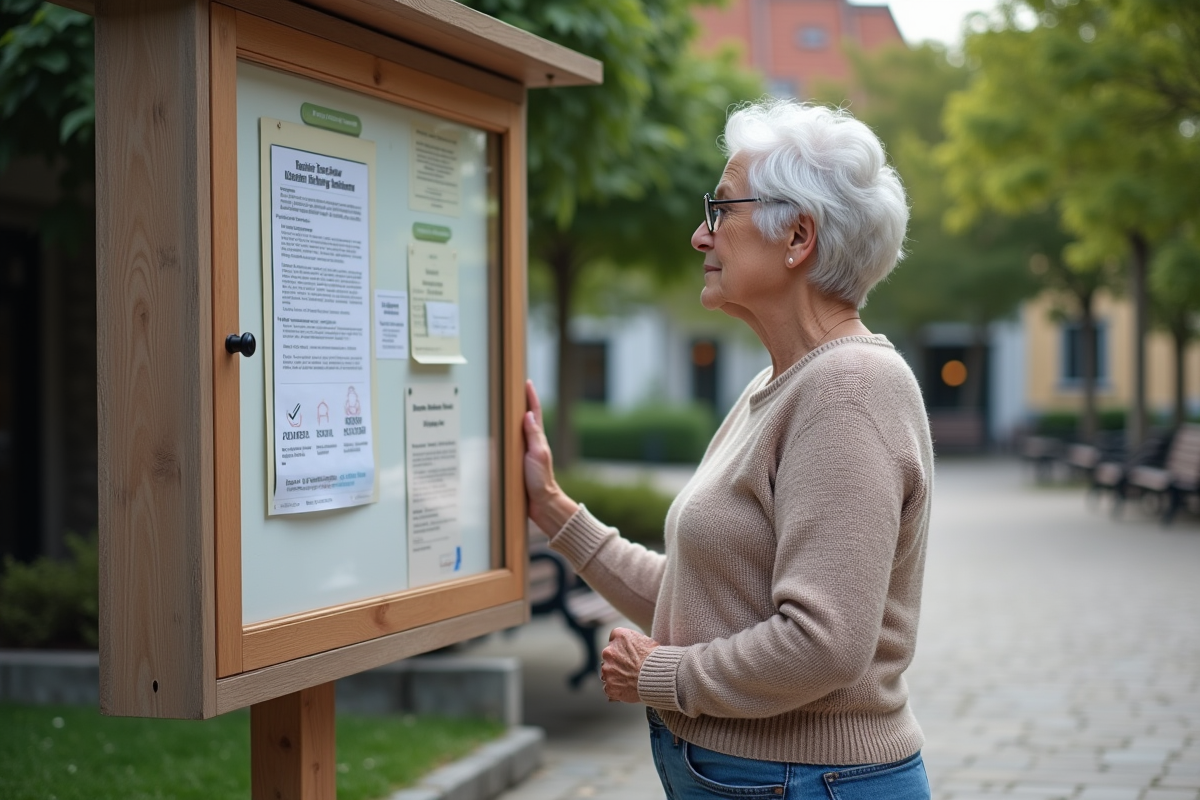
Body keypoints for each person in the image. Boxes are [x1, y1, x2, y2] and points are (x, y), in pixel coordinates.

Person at [522, 99, 934, 799]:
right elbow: (705, 599)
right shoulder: (779, 386)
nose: (698, 236)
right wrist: (554, 509)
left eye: (720, 211)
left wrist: (664, 675)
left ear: (797, 236)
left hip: (809, 782)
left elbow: (823, 644)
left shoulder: (848, 389)